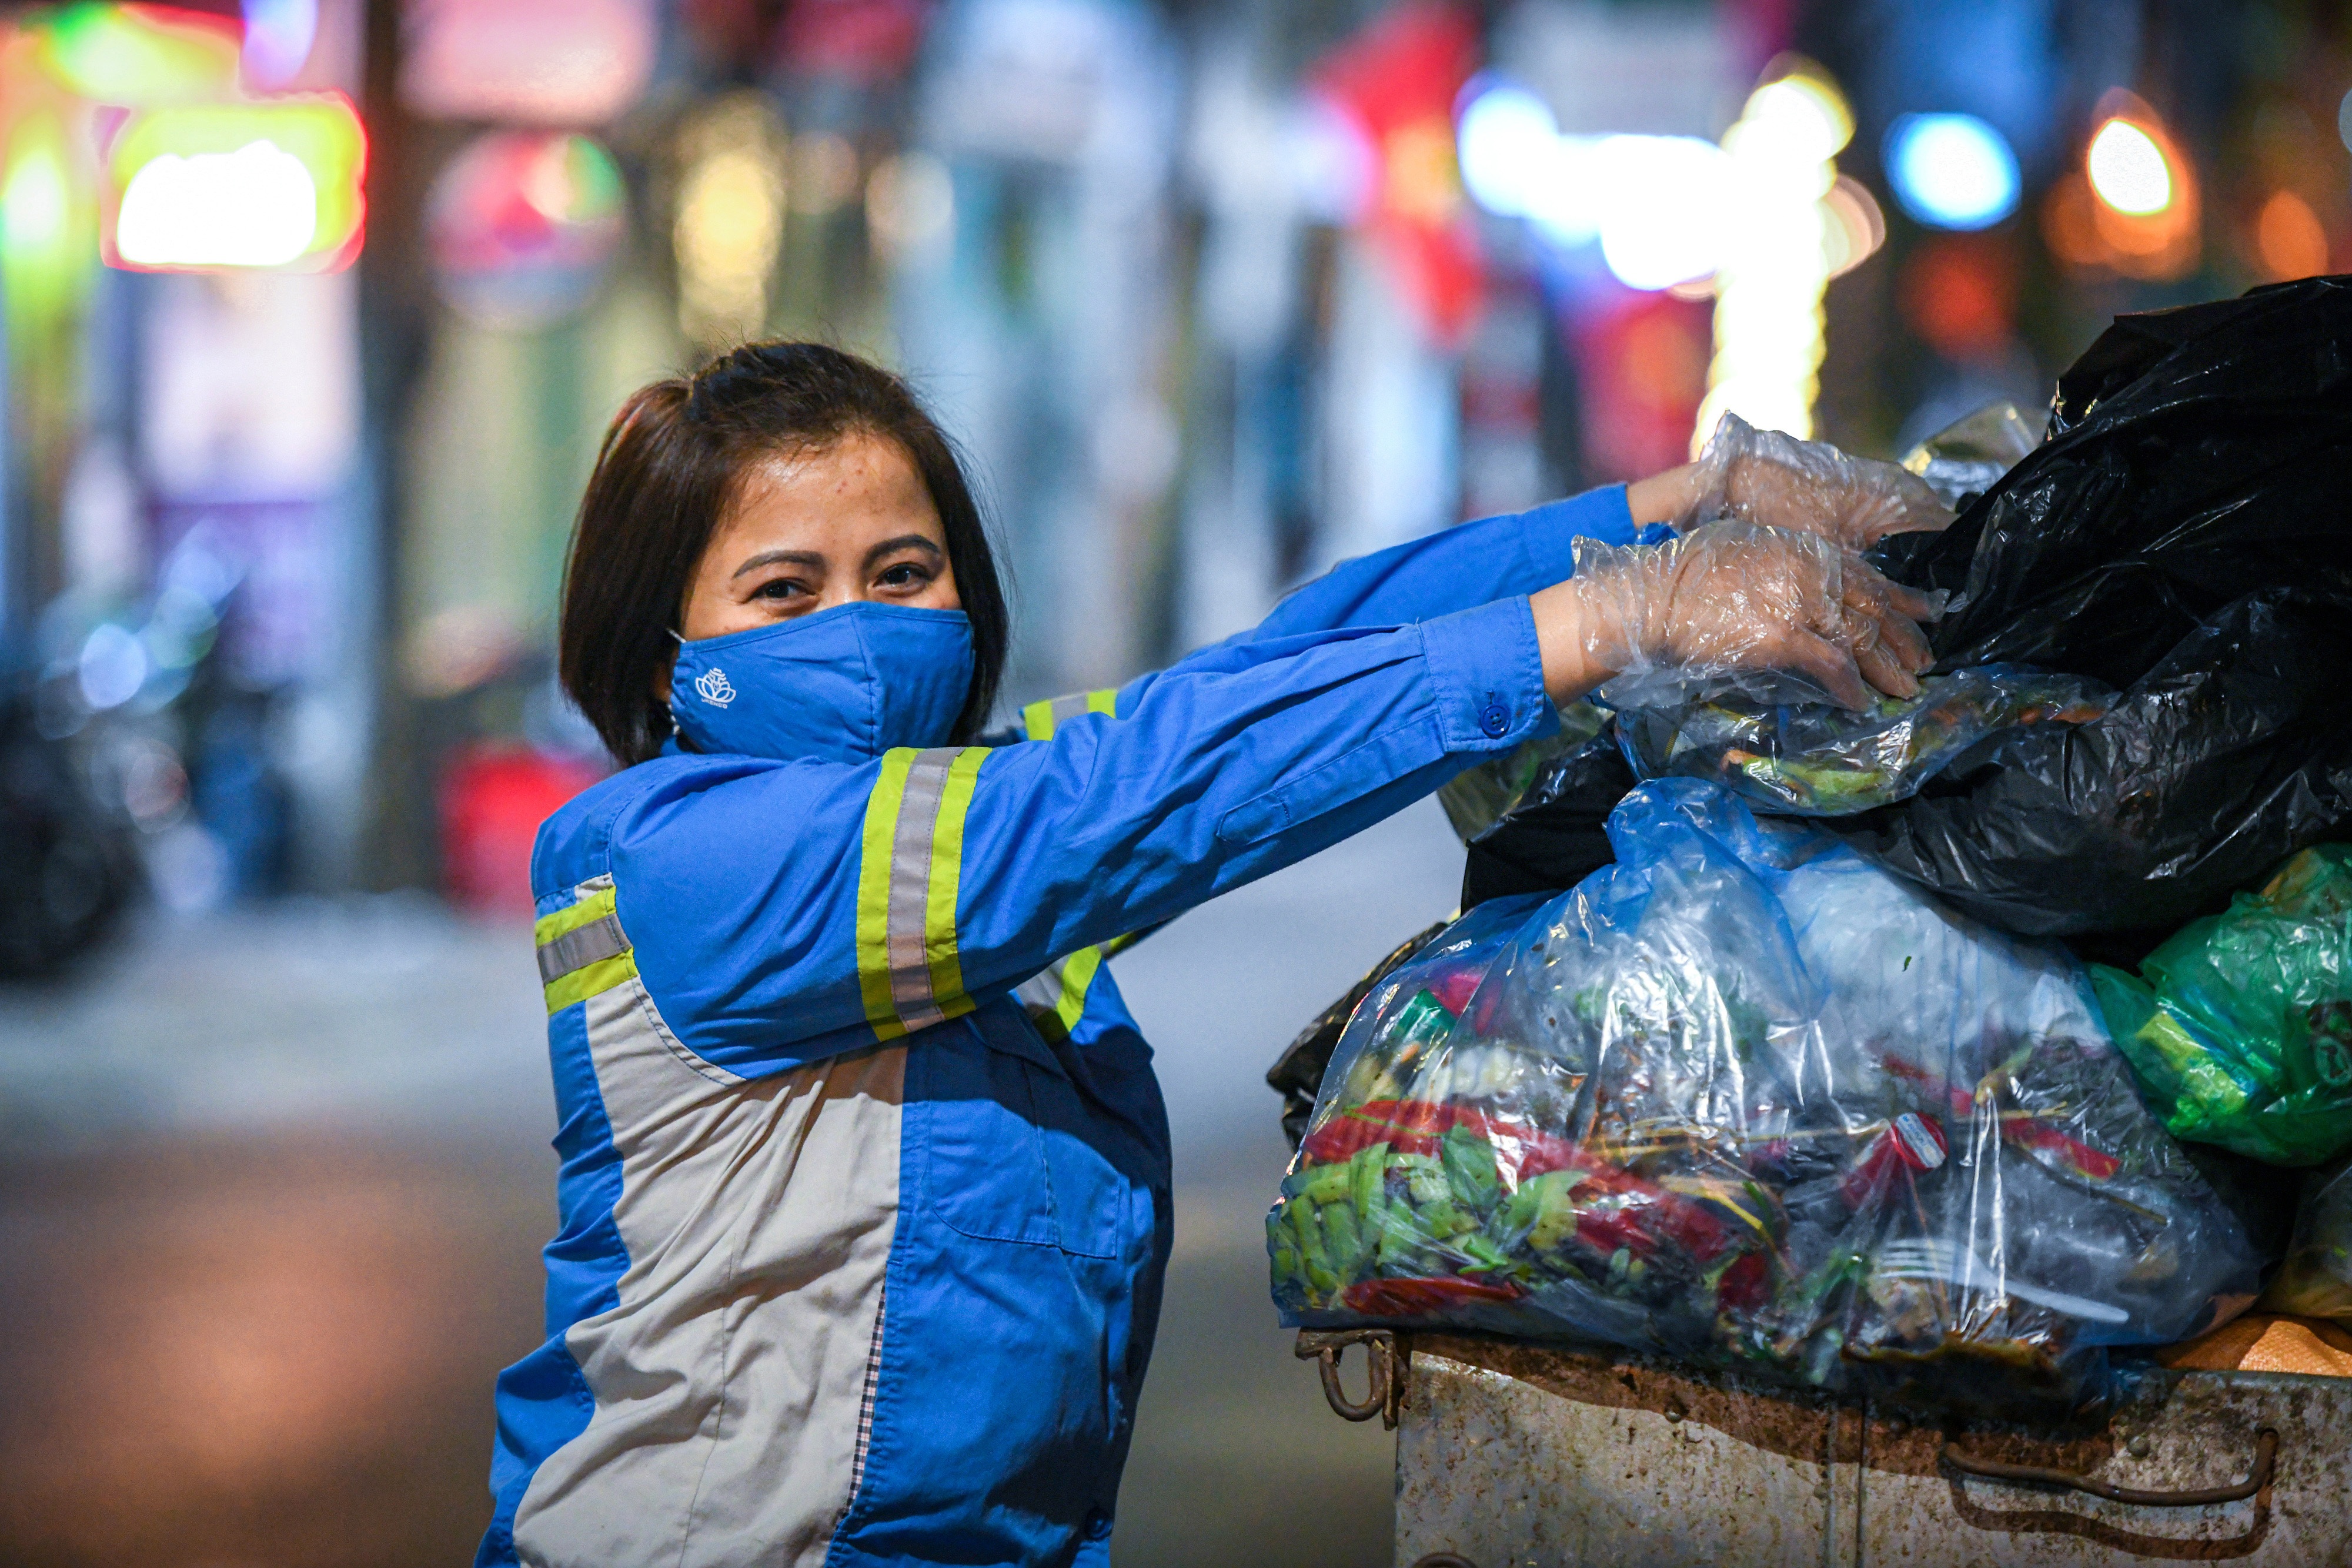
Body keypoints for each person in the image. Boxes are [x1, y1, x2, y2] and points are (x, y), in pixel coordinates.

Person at [479, 342, 1945, 1567]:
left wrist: (1673, 509)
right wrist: (1605, 620)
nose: (858, 628)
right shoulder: (688, 857)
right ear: (668, 647)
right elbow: (1122, 797)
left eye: (902, 570)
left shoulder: (964, 809)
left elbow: (1255, 684)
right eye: (783, 590)